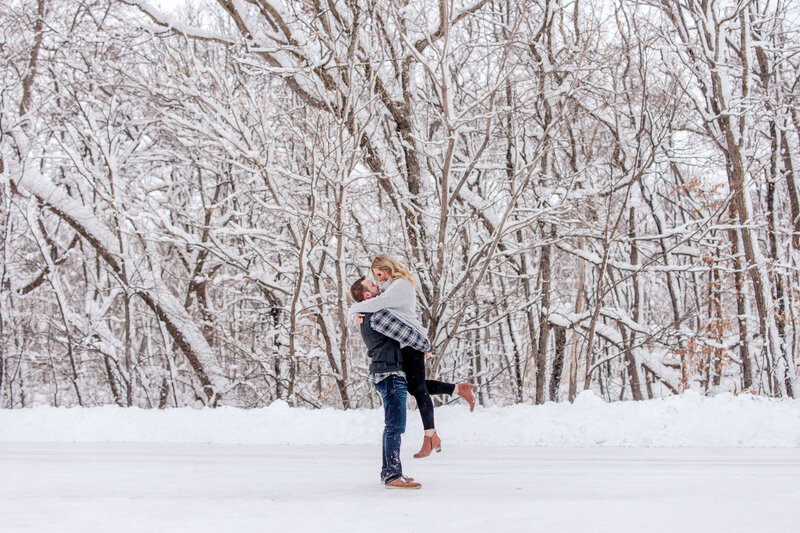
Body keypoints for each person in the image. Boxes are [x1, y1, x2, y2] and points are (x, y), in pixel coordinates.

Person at [349, 254, 476, 458]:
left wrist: (353, 310)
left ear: (388, 268)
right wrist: (354, 312)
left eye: (379, 274)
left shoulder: (401, 285)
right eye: (375, 277)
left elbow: (376, 304)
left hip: (412, 339)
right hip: (407, 340)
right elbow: (372, 301)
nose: (379, 280)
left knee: (417, 389)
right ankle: (458, 389)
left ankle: (431, 436)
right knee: (414, 386)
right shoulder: (391, 285)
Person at [349, 279, 421, 490]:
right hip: (389, 374)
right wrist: (424, 345)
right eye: (371, 284)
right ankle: (392, 475)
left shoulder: (371, 313)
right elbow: (405, 334)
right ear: (367, 296)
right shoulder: (377, 315)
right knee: (395, 427)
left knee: (393, 426)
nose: (376, 284)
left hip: (387, 372)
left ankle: (388, 471)